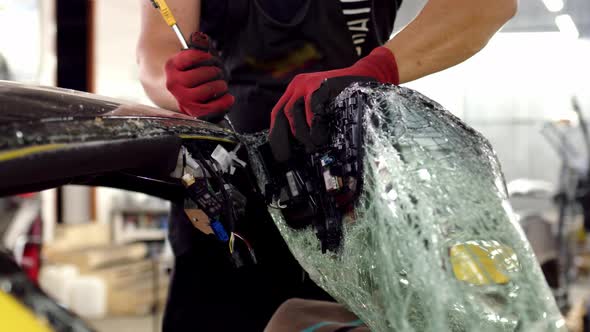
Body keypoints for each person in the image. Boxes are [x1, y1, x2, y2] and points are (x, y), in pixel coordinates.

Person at [137, 0, 517, 330]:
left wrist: (379, 67)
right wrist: (174, 83)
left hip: (346, 208)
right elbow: (155, 47)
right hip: (222, 209)